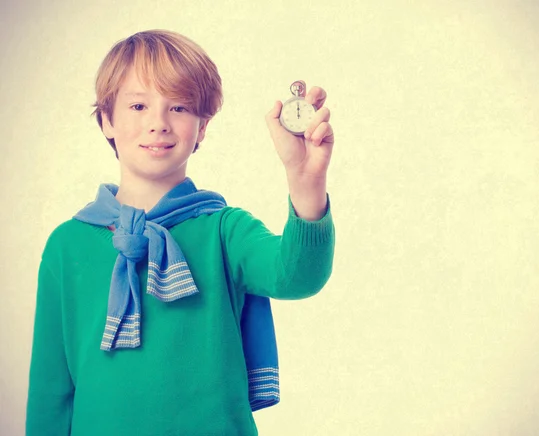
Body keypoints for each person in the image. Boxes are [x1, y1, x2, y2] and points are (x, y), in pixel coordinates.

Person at [26, 29, 335, 436]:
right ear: (106, 121)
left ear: (202, 127)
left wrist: (304, 182)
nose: (158, 123)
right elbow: (50, 389)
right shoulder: (68, 244)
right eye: (138, 105)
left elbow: (297, 276)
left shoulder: (225, 230)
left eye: (179, 107)